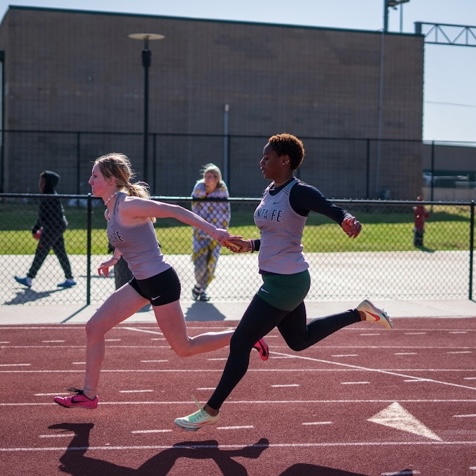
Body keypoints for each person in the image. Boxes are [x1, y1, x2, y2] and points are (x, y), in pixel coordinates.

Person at [175, 133, 393, 431]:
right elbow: (271, 237)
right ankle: (361, 313)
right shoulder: (270, 191)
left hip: (286, 282)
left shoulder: (299, 192)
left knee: (240, 341)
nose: (261, 162)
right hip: (282, 279)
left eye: (267, 157)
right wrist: (248, 245)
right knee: (298, 340)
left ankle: (211, 409)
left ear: (285, 160)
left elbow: (329, 207)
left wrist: (346, 218)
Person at [53, 153, 268, 409]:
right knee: (94, 327)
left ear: (110, 180)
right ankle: (89, 395)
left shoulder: (128, 205)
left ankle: (245, 336)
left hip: (160, 281)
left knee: (184, 348)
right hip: (141, 283)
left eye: (95, 176)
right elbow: (128, 238)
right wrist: (114, 258)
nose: (89, 181)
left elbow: (173, 210)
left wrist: (215, 232)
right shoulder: (110, 211)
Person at [14, 170, 76, 289]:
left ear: (49, 183)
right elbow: (43, 216)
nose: (40, 184)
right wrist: (36, 228)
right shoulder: (46, 195)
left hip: (53, 229)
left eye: (43, 181)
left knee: (41, 252)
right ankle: (70, 278)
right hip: (55, 228)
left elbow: (48, 218)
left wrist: (42, 231)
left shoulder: (51, 196)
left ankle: (29, 278)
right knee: (60, 252)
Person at [191, 163, 231, 301]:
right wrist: (200, 227)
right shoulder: (199, 187)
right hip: (201, 233)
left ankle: (200, 290)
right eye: (207, 176)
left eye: (213, 176)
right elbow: (194, 208)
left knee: (211, 265)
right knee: (200, 264)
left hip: (217, 234)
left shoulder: (222, 188)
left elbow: (226, 210)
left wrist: (222, 231)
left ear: (218, 179)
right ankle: (198, 286)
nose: (209, 179)